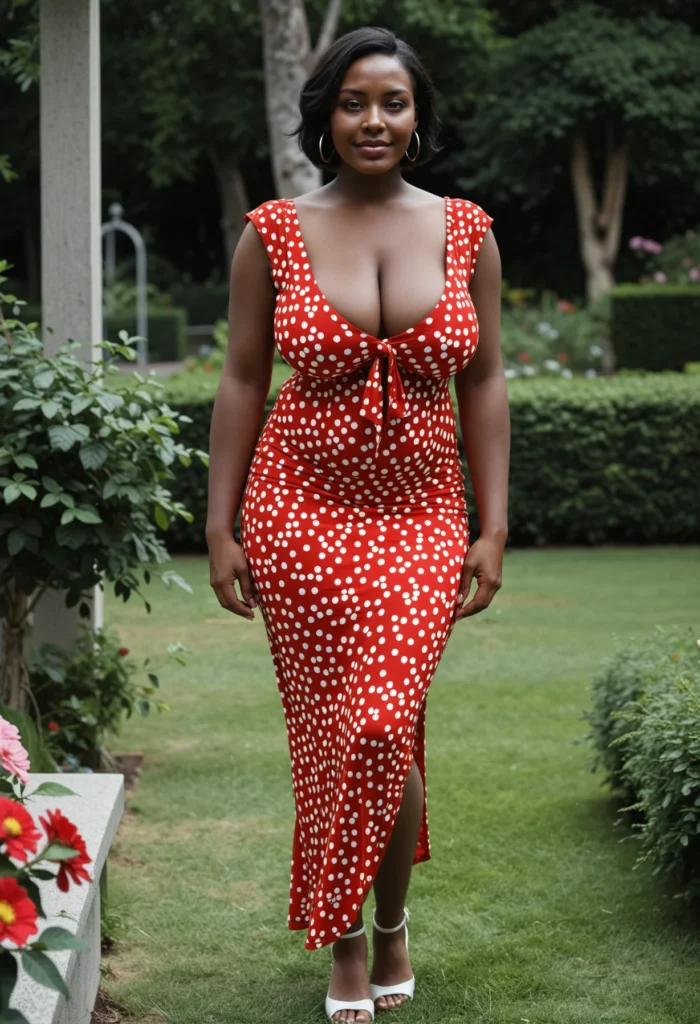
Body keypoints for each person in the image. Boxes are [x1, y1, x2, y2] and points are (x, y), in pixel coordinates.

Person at [206, 25, 510, 1024]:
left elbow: (487, 382)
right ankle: (350, 942)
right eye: (353, 102)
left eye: (392, 101)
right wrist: (220, 526)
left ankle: (385, 923)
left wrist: (493, 524)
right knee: (339, 733)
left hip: (421, 518)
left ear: (416, 115)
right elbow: (244, 377)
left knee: (382, 722)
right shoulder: (275, 231)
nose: (373, 120)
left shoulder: (465, 231)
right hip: (298, 515)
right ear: (324, 117)